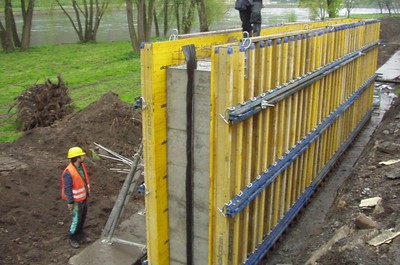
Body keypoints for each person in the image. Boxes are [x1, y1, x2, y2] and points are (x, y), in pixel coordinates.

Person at [61, 146, 92, 248]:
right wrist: (70, 202)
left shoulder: (81, 167)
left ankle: (80, 234)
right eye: (81, 155)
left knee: (82, 218)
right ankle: (73, 237)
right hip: (76, 201)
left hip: (83, 198)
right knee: (76, 220)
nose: (83, 157)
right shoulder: (68, 172)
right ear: (77, 157)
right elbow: (68, 188)